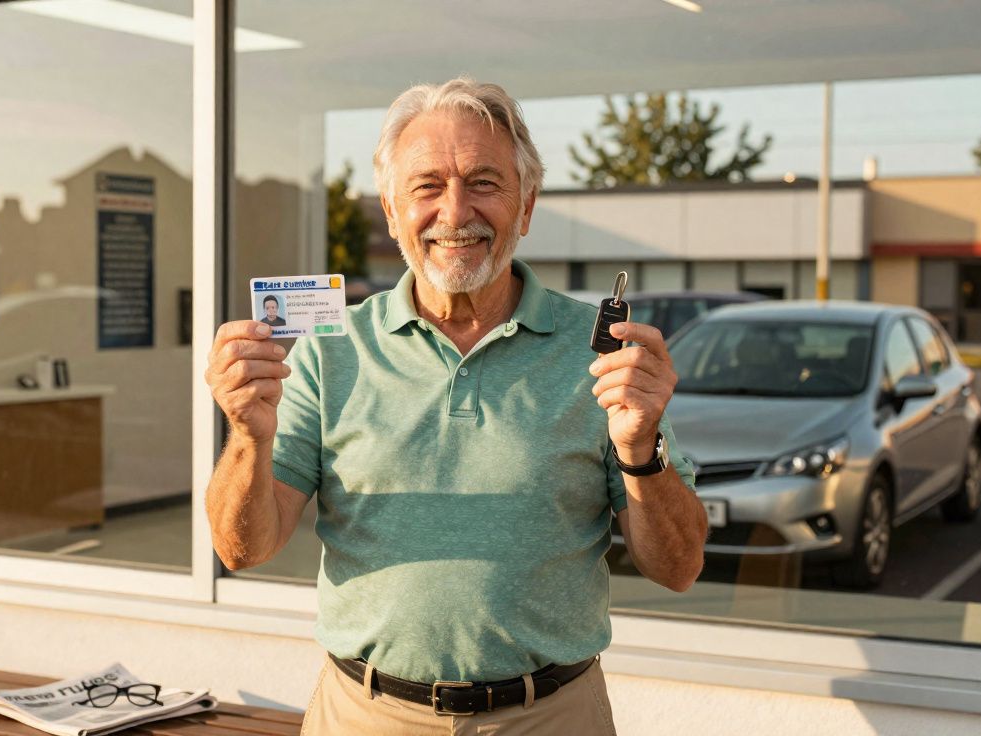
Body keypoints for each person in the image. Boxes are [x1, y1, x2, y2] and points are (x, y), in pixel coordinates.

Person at [204, 77, 708, 735]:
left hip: (549, 719)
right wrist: (247, 435)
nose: (455, 212)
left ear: (526, 207)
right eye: (427, 186)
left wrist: (642, 453)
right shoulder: (332, 352)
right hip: (363, 717)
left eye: (484, 183)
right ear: (390, 210)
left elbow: (679, 568)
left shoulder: (600, 354)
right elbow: (243, 548)